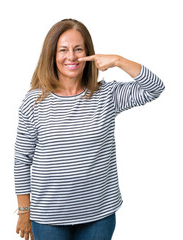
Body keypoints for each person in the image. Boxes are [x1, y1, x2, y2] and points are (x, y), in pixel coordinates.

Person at [14, 18, 165, 240]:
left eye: (78, 49)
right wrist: (24, 212)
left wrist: (117, 60)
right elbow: (22, 159)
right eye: (63, 50)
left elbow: (155, 88)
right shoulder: (34, 101)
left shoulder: (107, 95)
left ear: (89, 53)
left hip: (98, 215)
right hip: (48, 217)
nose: (71, 56)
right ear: (52, 55)